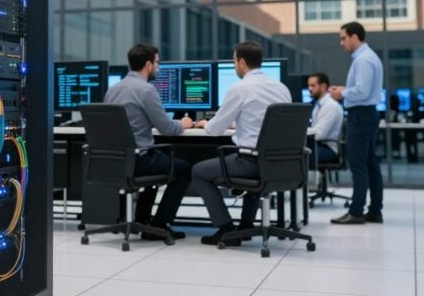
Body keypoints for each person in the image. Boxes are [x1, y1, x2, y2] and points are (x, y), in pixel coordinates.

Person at [191, 42, 292, 245]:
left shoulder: (240, 89)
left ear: (242, 62)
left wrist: (204, 123)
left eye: (234, 61)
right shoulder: (282, 88)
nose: (234, 65)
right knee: (253, 155)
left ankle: (226, 229)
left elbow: (215, 130)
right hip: (279, 163)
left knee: (198, 171)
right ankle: (245, 227)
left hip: (250, 164)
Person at [103, 43, 194, 239]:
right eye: (157, 63)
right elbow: (167, 129)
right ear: (148, 64)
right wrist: (185, 123)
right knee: (185, 169)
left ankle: (143, 221)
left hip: (114, 161)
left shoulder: (113, 90)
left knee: (156, 157)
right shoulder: (146, 90)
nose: (158, 68)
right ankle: (160, 224)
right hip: (138, 161)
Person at [329, 21, 384, 225]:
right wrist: (344, 89)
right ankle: (375, 210)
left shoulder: (363, 60)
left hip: (360, 115)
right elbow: (363, 89)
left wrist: (341, 93)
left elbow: (361, 91)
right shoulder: (368, 58)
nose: (341, 42)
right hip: (366, 114)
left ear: (355, 37)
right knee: (370, 164)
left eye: (343, 38)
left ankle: (356, 211)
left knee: (358, 165)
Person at [307, 72, 342, 167]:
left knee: (298, 156)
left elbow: (319, 134)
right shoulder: (318, 105)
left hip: (328, 149)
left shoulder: (330, 106)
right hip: (318, 146)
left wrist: (300, 132)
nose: (309, 89)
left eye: (313, 85)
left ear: (323, 86)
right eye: (309, 86)